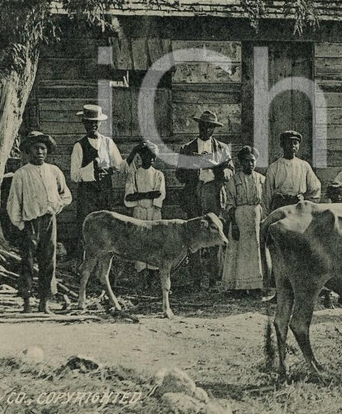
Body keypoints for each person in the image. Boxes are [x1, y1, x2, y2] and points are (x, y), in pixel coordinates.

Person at [7, 131, 72, 314]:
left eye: (43, 148)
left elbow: (65, 195)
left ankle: (44, 303)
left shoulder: (54, 171)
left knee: (48, 261)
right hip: (30, 223)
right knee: (27, 261)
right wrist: (20, 224)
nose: (40, 152)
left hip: (49, 221)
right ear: (28, 151)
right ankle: (27, 303)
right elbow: (13, 202)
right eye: (36, 148)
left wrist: (55, 207)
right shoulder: (21, 174)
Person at [176, 110, 234, 289]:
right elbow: (179, 175)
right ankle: (196, 278)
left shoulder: (222, 148)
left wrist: (224, 171)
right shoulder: (188, 148)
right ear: (199, 126)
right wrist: (192, 167)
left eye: (210, 127)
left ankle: (213, 277)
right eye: (203, 126)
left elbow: (230, 170)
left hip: (213, 193)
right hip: (194, 192)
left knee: (215, 233)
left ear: (214, 130)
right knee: (194, 234)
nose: (206, 130)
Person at [70, 105, 125, 235]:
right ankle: (84, 254)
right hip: (87, 194)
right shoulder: (79, 146)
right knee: (87, 225)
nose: (92, 125)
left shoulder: (107, 143)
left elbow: (119, 165)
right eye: (89, 122)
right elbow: (74, 175)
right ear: (84, 123)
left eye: (95, 122)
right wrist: (91, 170)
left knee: (106, 224)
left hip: (105, 192)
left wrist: (110, 170)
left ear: (100, 122)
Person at [221, 146, 266, 298]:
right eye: (246, 161)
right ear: (240, 163)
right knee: (239, 251)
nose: (250, 164)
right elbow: (229, 204)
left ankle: (256, 286)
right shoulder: (234, 180)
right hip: (240, 218)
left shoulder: (261, 179)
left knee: (256, 251)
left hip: (256, 217)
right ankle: (238, 286)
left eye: (252, 161)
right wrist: (234, 223)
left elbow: (265, 201)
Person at [124, 140, 166, 277]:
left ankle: (153, 274)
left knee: (154, 241)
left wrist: (139, 195)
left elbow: (159, 194)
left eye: (154, 156)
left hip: (154, 212)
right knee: (139, 241)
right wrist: (147, 194)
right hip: (139, 211)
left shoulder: (158, 175)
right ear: (142, 157)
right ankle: (141, 274)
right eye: (148, 155)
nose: (152, 159)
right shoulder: (134, 175)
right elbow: (129, 197)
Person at [265, 130, 321, 211]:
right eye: (289, 143)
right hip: (280, 206)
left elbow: (315, 188)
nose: (292, 146)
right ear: (282, 145)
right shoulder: (274, 167)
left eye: (295, 143)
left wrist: (306, 203)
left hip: (298, 206)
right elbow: (267, 194)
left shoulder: (304, 165)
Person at [320, 181, 342, 309]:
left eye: (340, 194)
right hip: (329, 246)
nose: (338, 197)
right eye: (334, 194)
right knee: (327, 271)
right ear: (329, 196)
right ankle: (327, 297)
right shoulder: (325, 210)